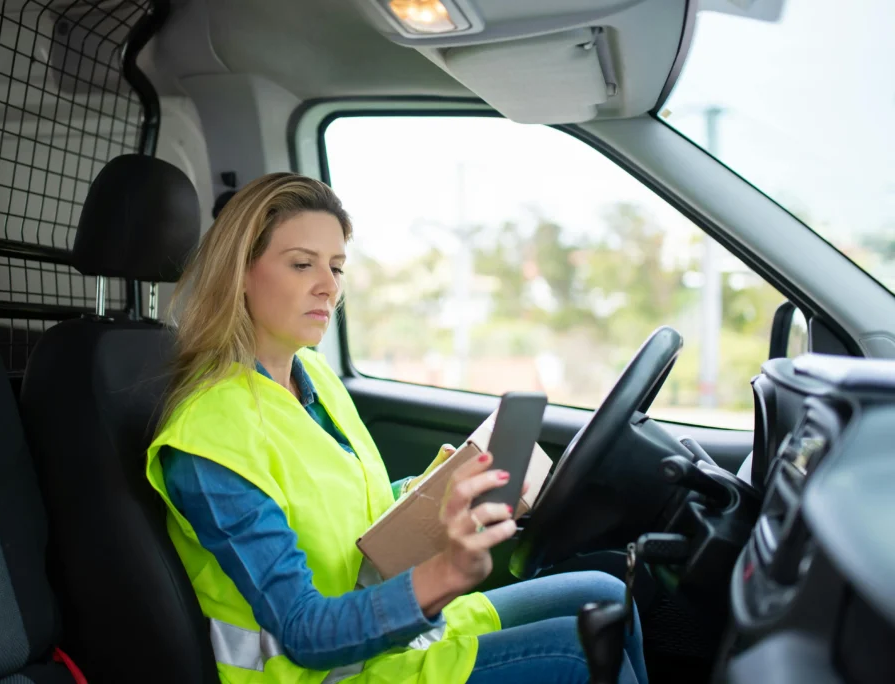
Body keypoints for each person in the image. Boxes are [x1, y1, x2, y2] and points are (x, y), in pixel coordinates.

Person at [146, 172, 648, 684]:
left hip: (387, 637)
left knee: (606, 594)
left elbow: (337, 510)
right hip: (325, 671)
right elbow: (304, 632)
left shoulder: (312, 375)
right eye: (302, 264)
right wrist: (445, 575)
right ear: (240, 272)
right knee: (581, 652)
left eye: (336, 267)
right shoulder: (208, 439)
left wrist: (432, 493)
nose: (328, 286)